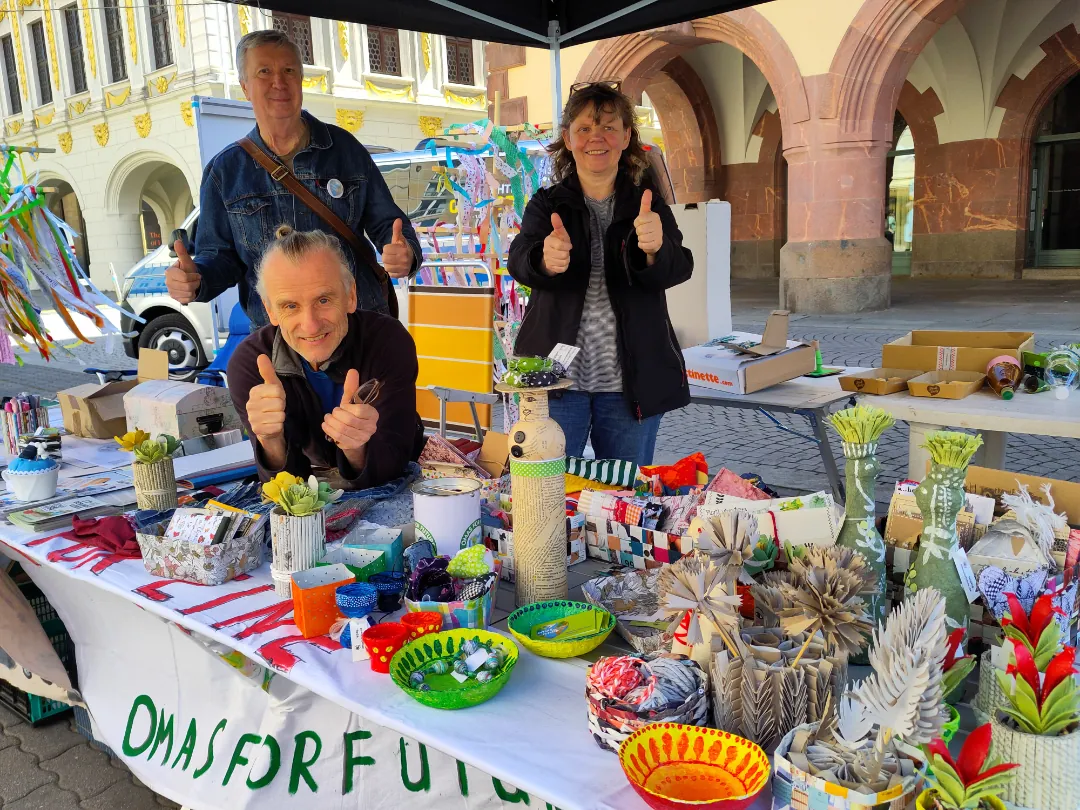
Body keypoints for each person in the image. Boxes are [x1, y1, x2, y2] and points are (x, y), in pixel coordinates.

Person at [166, 29, 421, 327]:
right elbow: (220, 257)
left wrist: (406, 254)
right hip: (280, 339)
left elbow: (390, 226)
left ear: (300, 79)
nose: (279, 82)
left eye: (289, 70)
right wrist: (196, 278)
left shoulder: (344, 150)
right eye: (264, 71)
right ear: (245, 87)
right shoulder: (225, 172)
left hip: (357, 327)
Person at [506, 82, 693, 465]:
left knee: (623, 498)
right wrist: (544, 260)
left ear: (626, 137)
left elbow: (680, 266)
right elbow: (519, 259)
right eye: (585, 128)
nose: (597, 138)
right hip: (557, 383)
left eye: (609, 127)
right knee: (548, 491)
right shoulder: (547, 203)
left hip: (630, 385)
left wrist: (657, 250)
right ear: (568, 138)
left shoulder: (648, 203)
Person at [227, 226, 425, 489]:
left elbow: (395, 461)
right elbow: (285, 490)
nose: (310, 326)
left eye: (323, 300)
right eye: (290, 306)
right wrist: (269, 440)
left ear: (350, 296)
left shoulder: (388, 342)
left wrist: (356, 449)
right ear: (269, 310)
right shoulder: (249, 364)